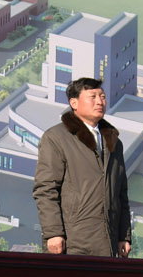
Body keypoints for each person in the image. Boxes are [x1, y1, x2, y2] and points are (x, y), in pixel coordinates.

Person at [33, 77, 131, 257]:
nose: (100, 101)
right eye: (92, 96)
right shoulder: (56, 138)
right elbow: (46, 189)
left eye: (102, 96)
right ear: (74, 103)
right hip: (72, 240)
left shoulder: (114, 142)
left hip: (107, 240)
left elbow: (121, 194)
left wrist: (124, 235)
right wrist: (53, 232)